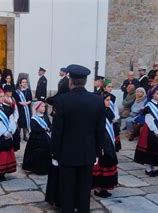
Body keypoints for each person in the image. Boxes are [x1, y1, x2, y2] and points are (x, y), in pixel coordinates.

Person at [51, 64, 105, 213]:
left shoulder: (61, 100)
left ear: (70, 81)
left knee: (67, 192)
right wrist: (97, 153)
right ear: (85, 81)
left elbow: (57, 132)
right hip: (88, 153)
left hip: (66, 155)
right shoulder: (98, 100)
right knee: (84, 192)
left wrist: (54, 154)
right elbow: (100, 131)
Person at [134, 89, 158, 177]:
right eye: (157, 94)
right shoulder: (149, 106)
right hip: (151, 130)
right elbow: (149, 120)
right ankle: (148, 169)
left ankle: (154, 168)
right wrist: (156, 132)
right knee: (151, 149)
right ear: (153, 95)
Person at [92, 92, 120, 198]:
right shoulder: (97, 113)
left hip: (109, 141)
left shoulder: (109, 111)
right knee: (101, 165)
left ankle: (104, 187)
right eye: (107, 100)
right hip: (101, 142)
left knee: (109, 162)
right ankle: (98, 189)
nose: (109, 102)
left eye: (109, 100)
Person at [23, 101, 51, 175]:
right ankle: (37, 169)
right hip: (37, 139)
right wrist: (44, 129)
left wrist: (49, 128)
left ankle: (47, 168)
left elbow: (49, 125)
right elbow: (34, 129)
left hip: (46, 138)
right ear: (37, 108)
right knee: (37, 154)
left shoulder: (45, 117)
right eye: (42, 106)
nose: (44, 108)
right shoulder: (34, 118)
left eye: (44, 106)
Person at [3, 85, 21, 151]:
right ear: (5, 92)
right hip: (5, 120)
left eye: (11, 91)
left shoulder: (12, 99)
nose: (11, 93)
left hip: (12, 120)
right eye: (9, 91)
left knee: (15, 136)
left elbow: (16, 111)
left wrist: (15, 120)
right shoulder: (2, 99)